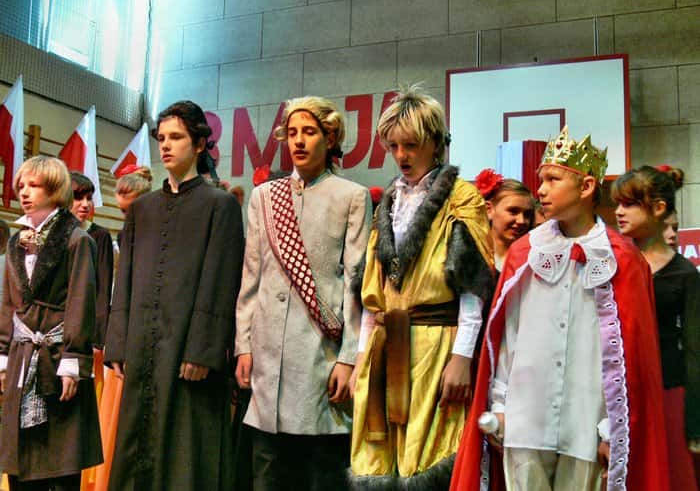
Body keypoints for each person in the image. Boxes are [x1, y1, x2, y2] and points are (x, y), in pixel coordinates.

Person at [450, 126, 670, 491]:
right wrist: (500, 406)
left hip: (585, 424)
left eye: (553, 179)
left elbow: (630, 360)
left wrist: (611, 429)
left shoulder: (623, 260)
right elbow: (507, 338)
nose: (541, 190)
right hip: (525, 419)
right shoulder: (525, 253)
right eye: (541, 180)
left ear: (586, 187)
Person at [349, 87, 494, 489]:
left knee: (429, 457)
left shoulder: (461, 198)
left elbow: (472, 287)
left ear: (435, 142)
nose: (402, 155)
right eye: (394, 146)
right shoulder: (389, 200)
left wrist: (462, 357)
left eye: (411, 145)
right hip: (386, 346)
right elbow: (373, 289)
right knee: (381, 457)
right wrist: (361, 355)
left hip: (435, 345)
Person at [104, 101, 244, 491]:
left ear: (199, 144)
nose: (165, 145)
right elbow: (125, 279)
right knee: (136, 450)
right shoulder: (142, 209)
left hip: (189, 352)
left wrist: (202, 350)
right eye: (162, 138)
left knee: (186, 455)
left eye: (176, 137)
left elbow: (221, 281)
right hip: (143, 349)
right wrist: (118, 343)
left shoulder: (221, 205)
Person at [235, 96, 371, 491]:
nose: (298, 140)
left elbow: (357, 284)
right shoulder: (264, 197)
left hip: (320, 357)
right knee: (267, 472)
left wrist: (348, 359)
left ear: (330, 138)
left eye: (309, 132)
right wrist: (243, 345)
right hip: (267, 360)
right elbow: (251, 277)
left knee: (319, 474)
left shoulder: (352, 196)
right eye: (292, 132)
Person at [0, 155, 102, 490]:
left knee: (59, 462)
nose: (24, 192)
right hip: (22, 355)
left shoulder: (77, 240)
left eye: (34, 185)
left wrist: (73, 361)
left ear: (55, 190)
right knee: (20, 463)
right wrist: (3, 354)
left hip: (57, 357)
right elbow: (9, 302)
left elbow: (81, 302)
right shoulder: (16, 240)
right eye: (21, 186)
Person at [613, 165, 699, 490]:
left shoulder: (684, 274)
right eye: (618, 204)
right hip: (617, 391)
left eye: (629, 204)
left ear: (659, 208)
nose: (619, 212)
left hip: (666, 391)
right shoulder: (610, 263)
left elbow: (695, 349)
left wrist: (694, 421)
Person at [91, 165, 152, 491]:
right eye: (123, 212)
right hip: (123, 333)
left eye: (130, 211)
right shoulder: (124, 236)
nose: (127, 218)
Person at [70, 173, 113, 353]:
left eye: (89, 198)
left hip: (84, 328)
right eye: (78, 198)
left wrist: (98, 337)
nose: (85, 204)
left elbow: (103, 288)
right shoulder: (52, 235)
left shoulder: (100, 236)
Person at [474, 169, 534, 272]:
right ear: (488, 210)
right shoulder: (472, 256)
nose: (522, 221)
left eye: (527, 214)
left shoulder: (535, 258)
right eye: (513, 211)